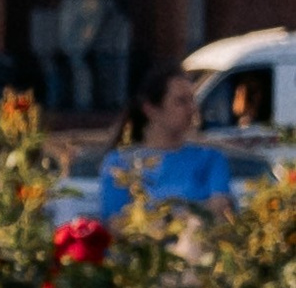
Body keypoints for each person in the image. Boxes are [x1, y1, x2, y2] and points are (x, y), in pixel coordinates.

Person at [97, 60, 249, 214]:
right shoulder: (119, 164)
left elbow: (220, 208)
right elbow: (115, 222)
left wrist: (162, 216)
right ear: (151, 109)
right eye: (181, 101)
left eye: (192, 100)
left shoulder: (210, 158)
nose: (192, 109)